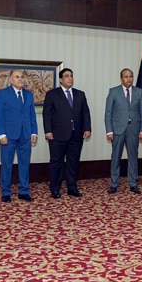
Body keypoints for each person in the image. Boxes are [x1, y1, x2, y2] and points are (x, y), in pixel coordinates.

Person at [42, 68, 92, 199]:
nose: (70, 78)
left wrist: (87, 128)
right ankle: (55, 188)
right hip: (57, 135)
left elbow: (85, 113)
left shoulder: (80, 94)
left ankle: (72, 187)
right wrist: (48, 131)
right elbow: (46, 114)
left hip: (76, 135)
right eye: (66, 76)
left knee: (73, 162)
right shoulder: (52, 94)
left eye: (71, 76)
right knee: (56, 162)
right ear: (60, 79)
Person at [0, 69, 39, 203]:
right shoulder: (2, 94)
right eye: (17, 77)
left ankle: (23, 191)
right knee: (7, 165)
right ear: (10, 80)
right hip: (8, 136)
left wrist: (34, 132)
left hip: (25, 135)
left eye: (22, 77)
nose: (20, 79)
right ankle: (6, 192)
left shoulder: (29, 94)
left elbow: (32, 115)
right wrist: (1, 134)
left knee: (24, 164)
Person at [104, 68, 142, 194]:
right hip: (118, 130)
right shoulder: (113, 92)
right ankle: (114, 183)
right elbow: (108, 113)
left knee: (133, 157)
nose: (129, 79)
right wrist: (109, 131)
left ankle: (133, 183)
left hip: (133, 129)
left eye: (131, 76)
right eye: (126, 76)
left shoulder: (139, 92)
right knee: (116, 157)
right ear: (121, 78)